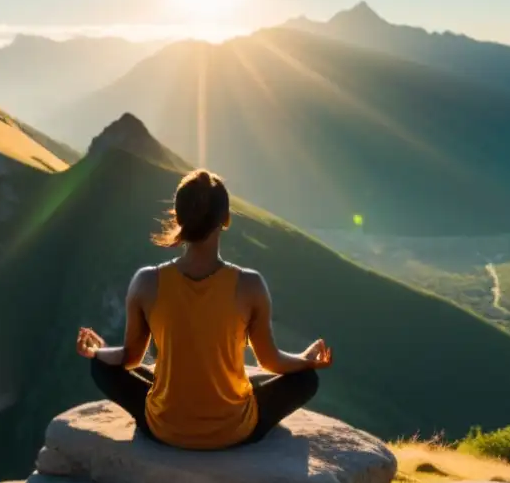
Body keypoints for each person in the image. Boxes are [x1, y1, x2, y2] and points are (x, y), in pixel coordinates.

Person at [76, 168, 332, 450]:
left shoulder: (147, 281)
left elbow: (130, 358)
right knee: (306, 380)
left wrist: (97, 352)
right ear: (226, 219)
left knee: (102, 368)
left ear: (178, 216)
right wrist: (306, 360)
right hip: (234, 431)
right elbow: (270, 362)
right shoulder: (249, 285)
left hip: (165, 430)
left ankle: (167, 409)